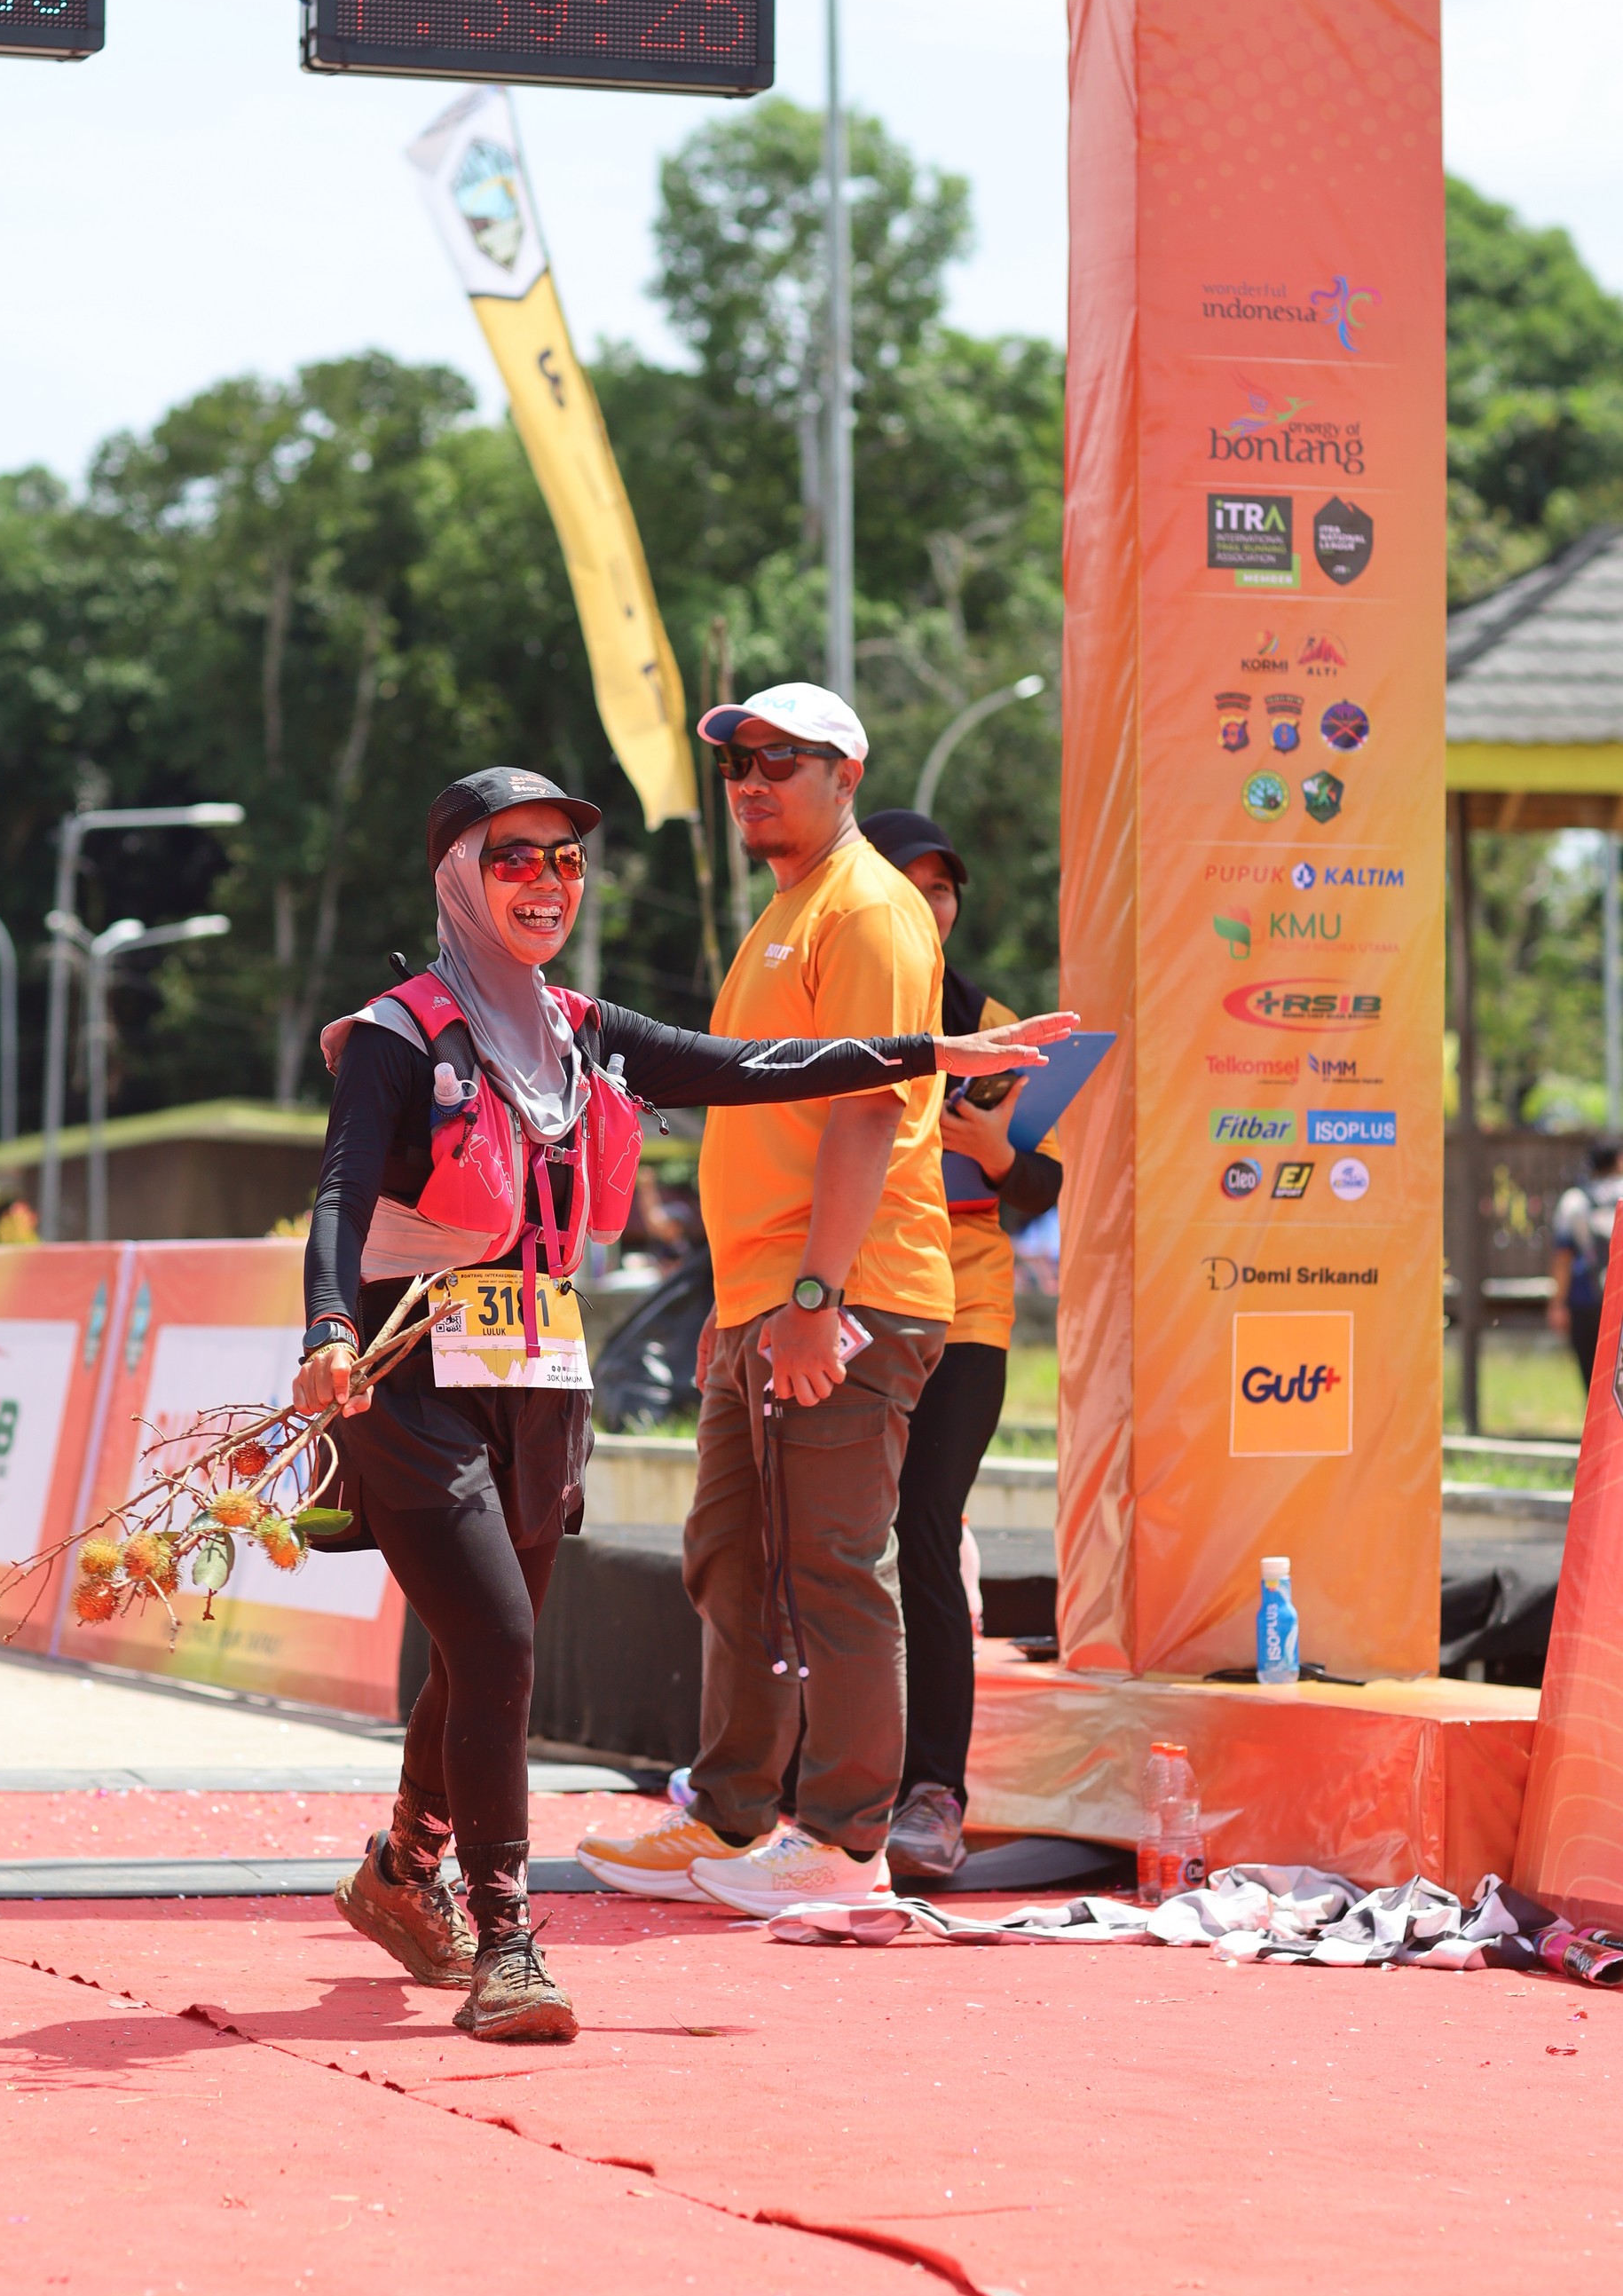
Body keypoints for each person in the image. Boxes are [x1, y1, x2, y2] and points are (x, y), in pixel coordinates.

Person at [301, 763, 1072, 2042]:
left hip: (539, 1381)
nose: (547, 883)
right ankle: (507, 1944)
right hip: (409, 1373)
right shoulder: (397, 1035)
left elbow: (759, 1065)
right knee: (499, 1643)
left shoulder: (582, 1031)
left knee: (486, 1644)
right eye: (513, 857)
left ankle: (402, 1869)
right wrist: (330, 1329)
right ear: (455, 876)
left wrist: (928, 1051)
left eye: (566, 860)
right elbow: (338, 1197)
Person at [579, 690, 1077, 1919]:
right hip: (771, 1295)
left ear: (847, 773)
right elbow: (768, 1116)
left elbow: (866, 1110)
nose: (752, 782)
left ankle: (849, 1840)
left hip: (846, 1297)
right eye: (738, 764)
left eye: (781, 761)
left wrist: (812, 1292)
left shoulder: (865, 908)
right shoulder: (791, 909)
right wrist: (746, 1297)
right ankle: (732, 1813)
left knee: (834, 1568)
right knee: (732, 1559)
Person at [860, 809, 1063, 1885]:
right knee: (832, 1538)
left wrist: (996, 1152)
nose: (930, 904)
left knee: (924, 1523)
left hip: (964, 1305)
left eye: (944, 889)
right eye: (911, 882)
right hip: (843, 1299)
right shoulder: (832, 1003)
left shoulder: (997, 1027)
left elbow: (1042, 1191)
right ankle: (815, 1785)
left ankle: (933, 1793)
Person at [1551, 1139, 1621, 1392]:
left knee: (1593, 1381)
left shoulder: (1574, 1200)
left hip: (1585, 1298)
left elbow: (1563, 1256)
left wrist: (1558, 1303)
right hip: (1619, 1298)